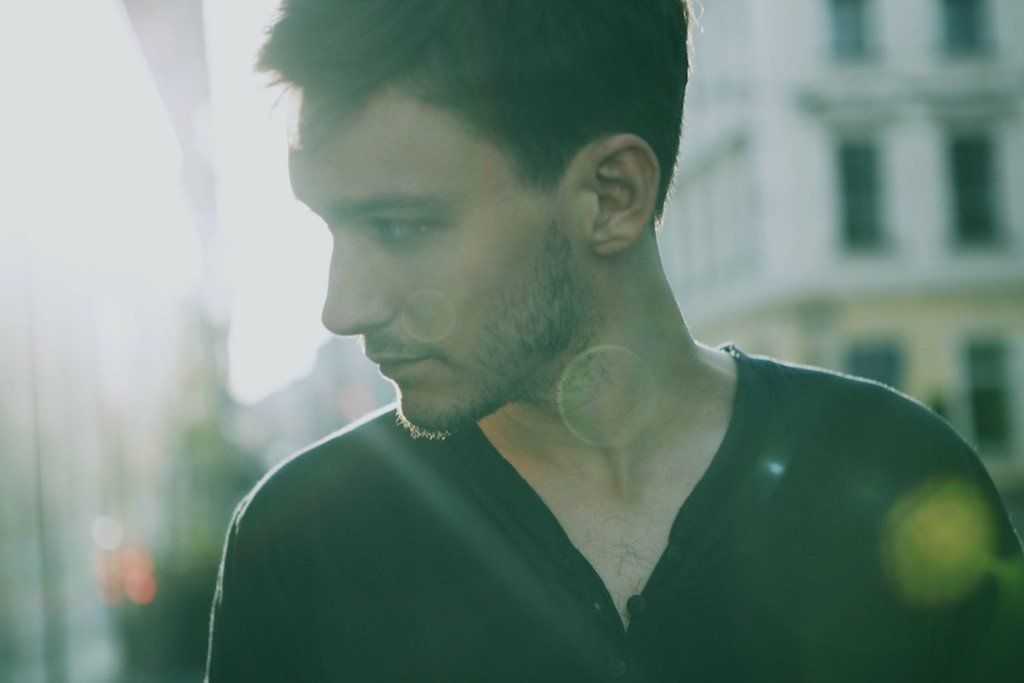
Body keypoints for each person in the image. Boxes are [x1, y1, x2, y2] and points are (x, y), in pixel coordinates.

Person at [205, 1, 1024, 680]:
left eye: (399, 226)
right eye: (332, 226)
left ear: (612, 196)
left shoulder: (900, 479)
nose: (341, 306)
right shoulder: (297, 546)